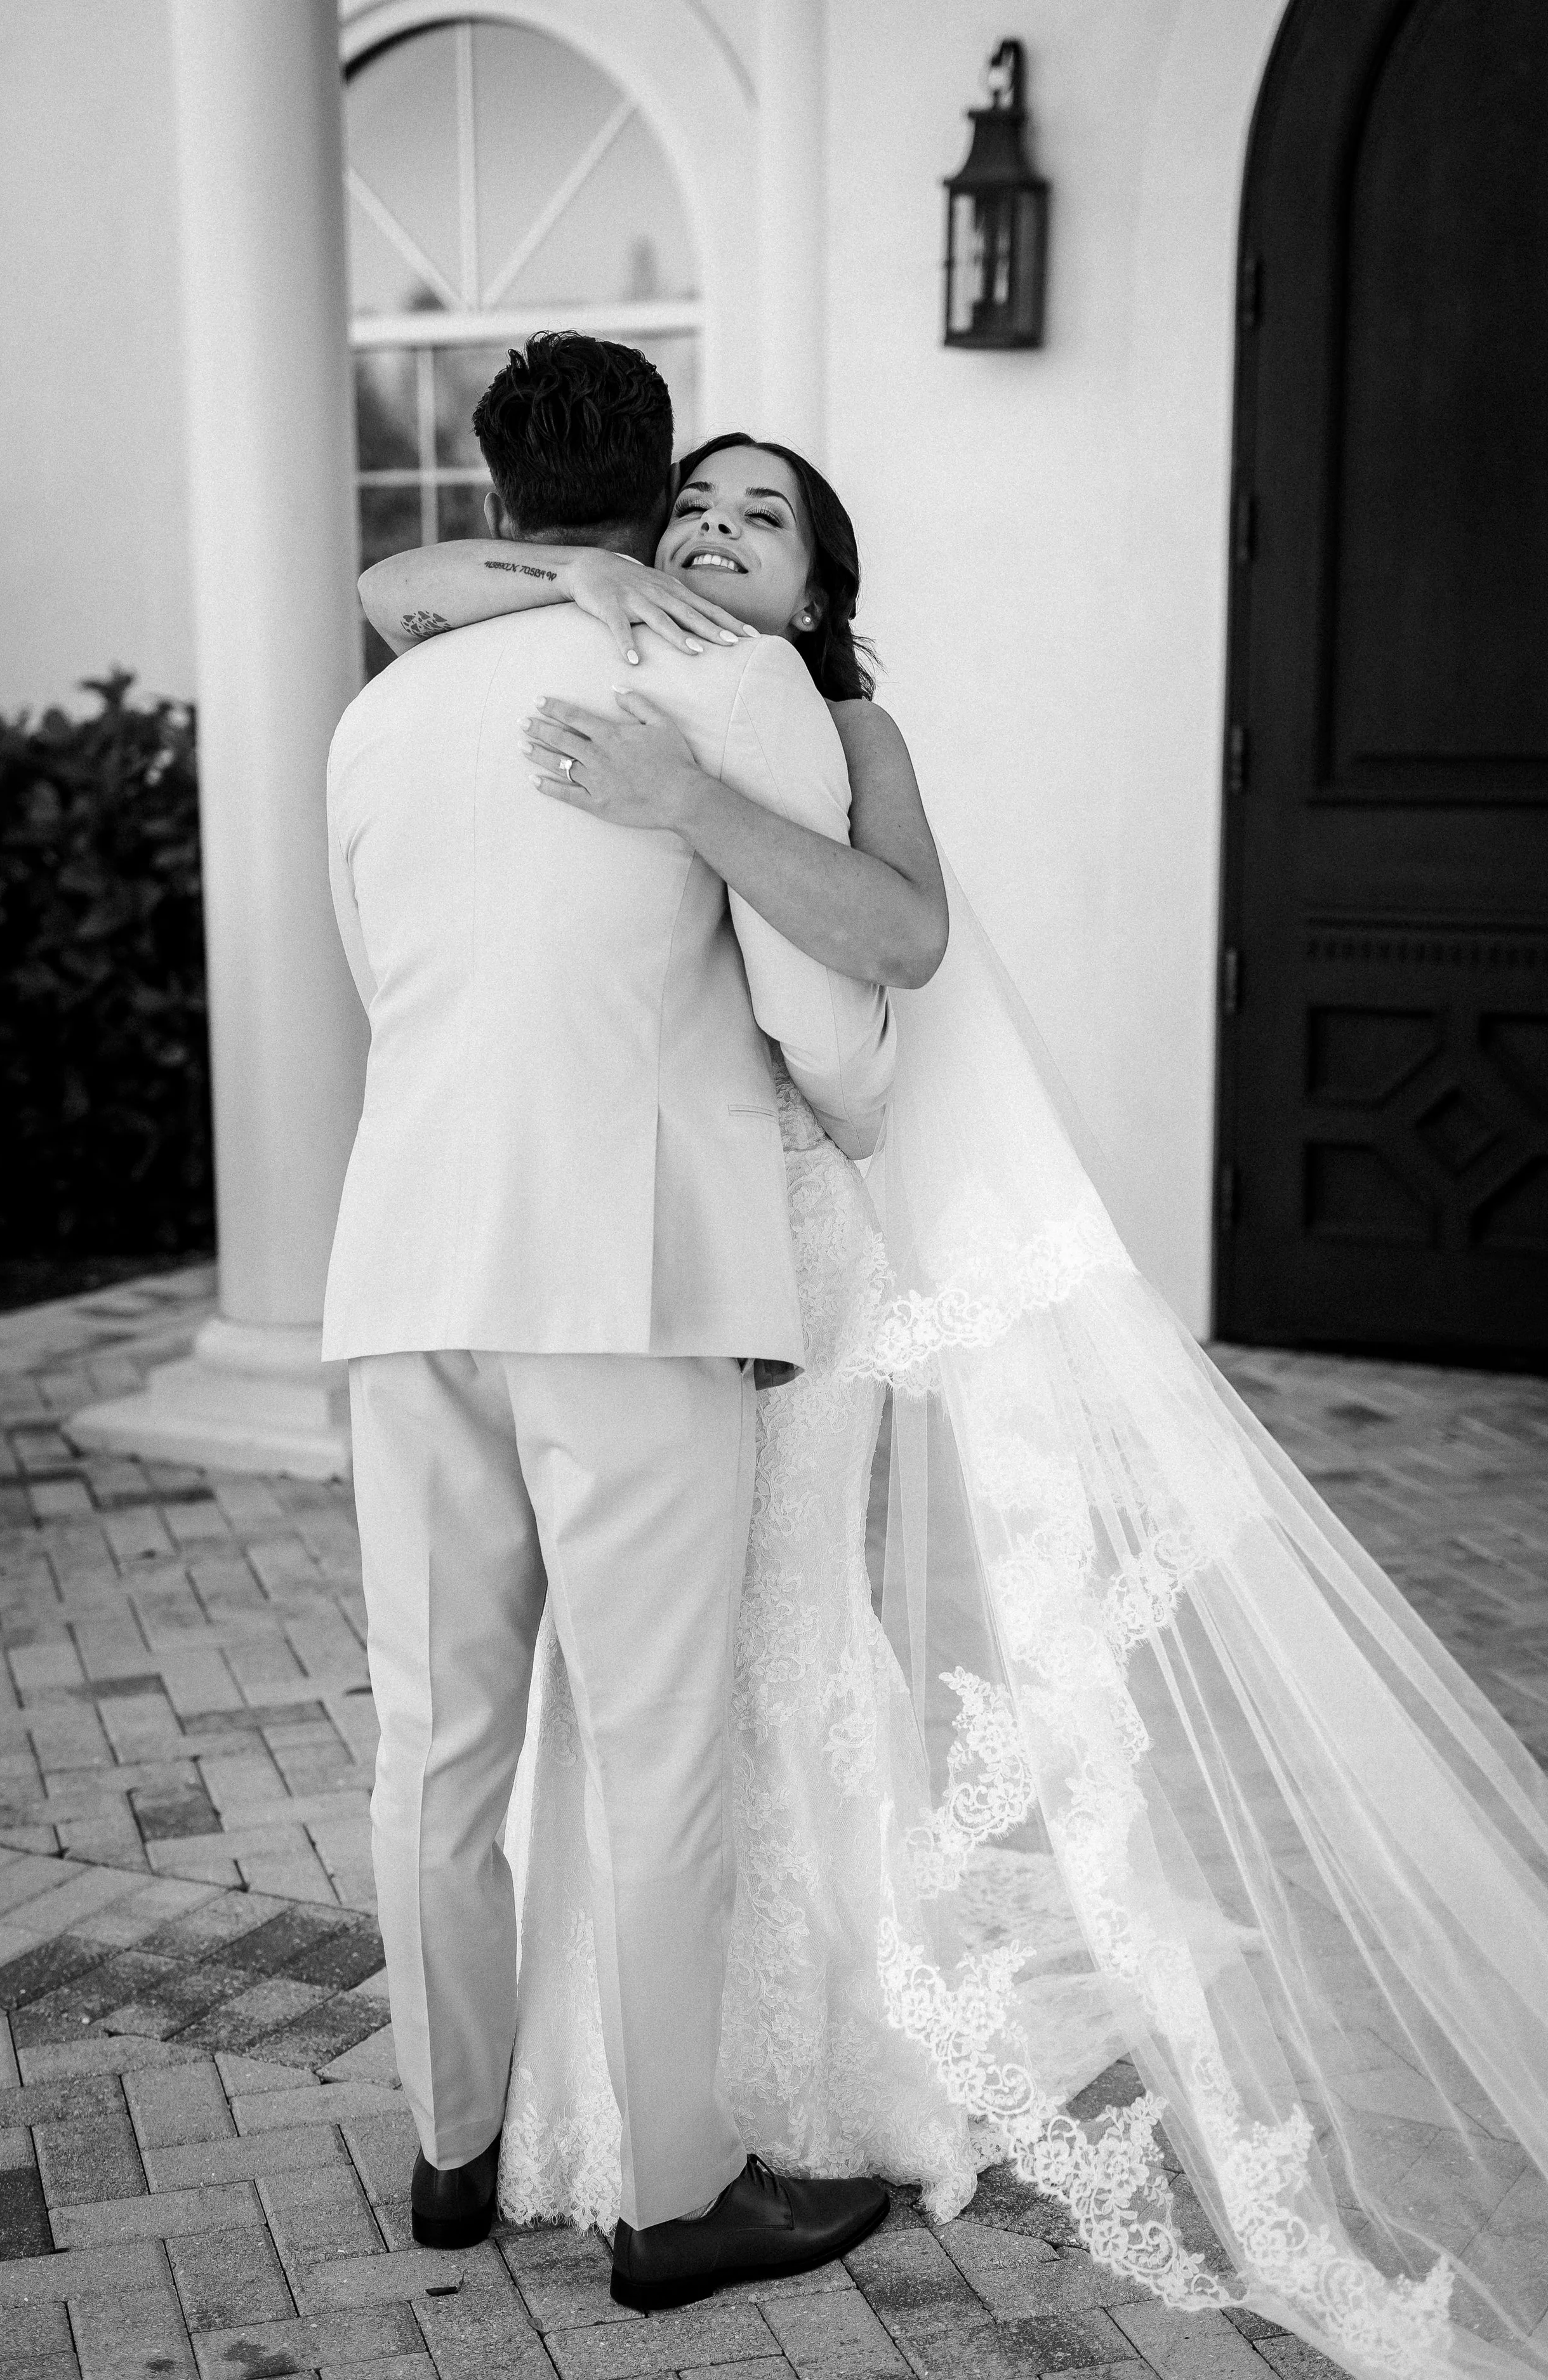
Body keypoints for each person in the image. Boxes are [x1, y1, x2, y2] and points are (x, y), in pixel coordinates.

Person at [364, 395, 1548, 2380]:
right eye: (688, 507)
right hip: (643, 1234)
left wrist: (690, 801)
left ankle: (731, 2069)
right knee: (636, 1688)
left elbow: (899, 945)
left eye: (763, 515)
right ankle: (626, 2106)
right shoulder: (610, 646)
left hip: (770, 1236)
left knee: (732, 1667)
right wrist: (572, 567)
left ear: (825, 584)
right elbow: (397, 581)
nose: (715, 530)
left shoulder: (819, 725)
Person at [324, 333, 897, 2314]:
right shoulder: (725, 674)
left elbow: (380, 965)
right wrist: (865, 1124)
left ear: (495, 492)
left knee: (436, 1737)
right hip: (636, 1274)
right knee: (655, 1744)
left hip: (403, 1263)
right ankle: (673, 2192)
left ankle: (451, 2149)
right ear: (662, 500)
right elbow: (826, 1010)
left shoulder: (385, 707)